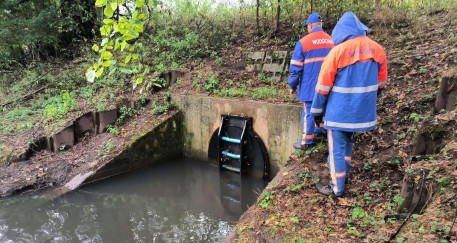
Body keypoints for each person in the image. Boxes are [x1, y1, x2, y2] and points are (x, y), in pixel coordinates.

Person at [311, 12, 387, 197]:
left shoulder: (337, 51)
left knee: (336, 148)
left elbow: (322, 88)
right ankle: (344, 176)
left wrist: (316, 113)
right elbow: (381, 84)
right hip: (360, 112)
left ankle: (337, 188)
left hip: (338, 112)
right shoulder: (377, 50)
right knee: (347, 143)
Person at [288, 13, 334, 150]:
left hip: (309, 85)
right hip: (327, 84)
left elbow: (296, 68)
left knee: (308, 112)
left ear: (310, 26)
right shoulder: (332, 40)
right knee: (323, 108)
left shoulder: (303, 43)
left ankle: (307, 142)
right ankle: (320, 132)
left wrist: (292, 85)